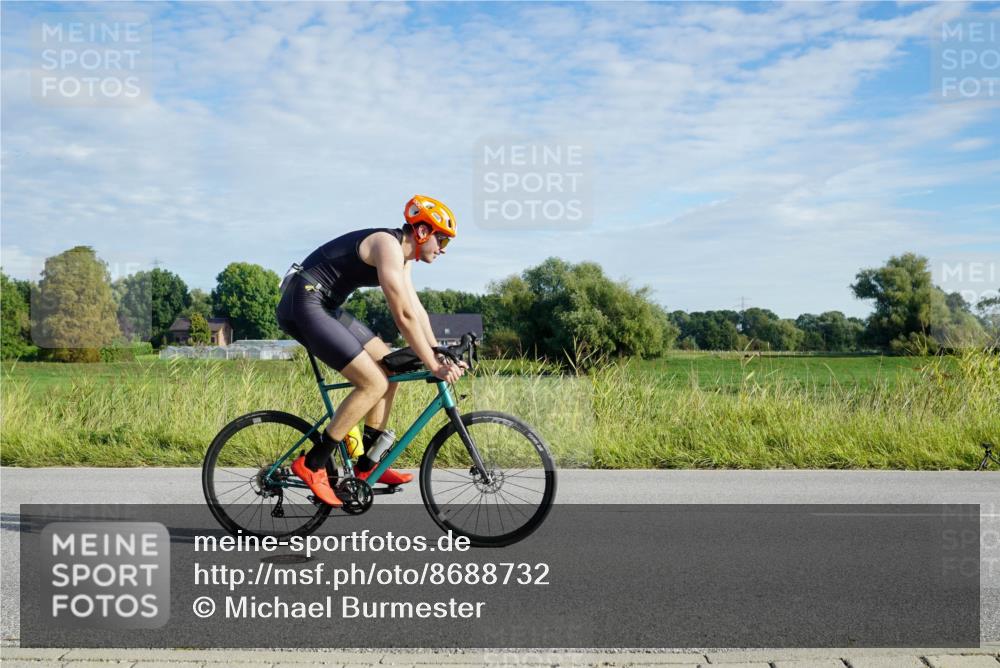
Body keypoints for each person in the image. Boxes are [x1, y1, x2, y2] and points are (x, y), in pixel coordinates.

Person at [275, 195, 465, 507]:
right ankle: (312, 464)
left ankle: (367, 466)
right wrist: (432, 363)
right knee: (373, 382)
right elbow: (401, 316)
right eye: (442, 240)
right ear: (422, 233)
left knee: (390, 369)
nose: (443, 250)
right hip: (304, 302)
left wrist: (438, 351)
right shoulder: (386, 245)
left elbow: (417, 312)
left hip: (327, 305)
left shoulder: (403, 259)